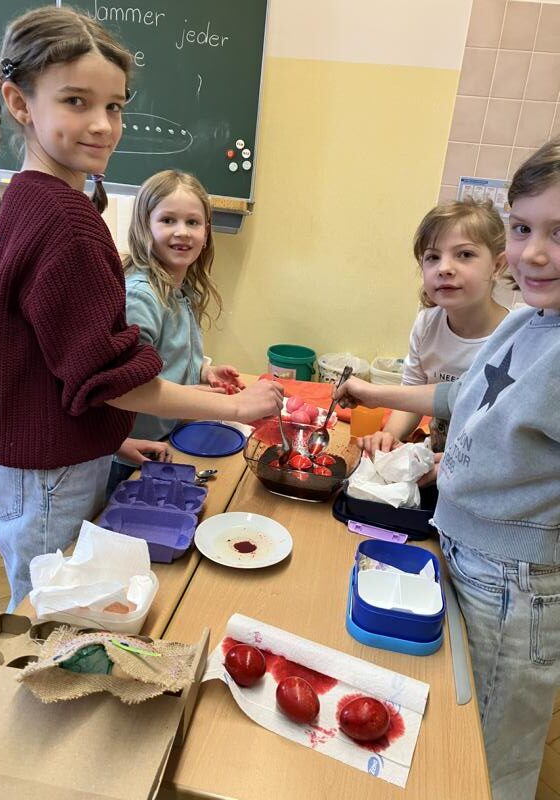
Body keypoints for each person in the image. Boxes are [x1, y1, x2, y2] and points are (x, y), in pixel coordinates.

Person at [0, 6, 282, 611]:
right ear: (20, 102)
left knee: (46, 591)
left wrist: (109, 442)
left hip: (37, 461)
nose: (103, 125)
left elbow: (59, 364)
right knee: (47, 606)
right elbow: (115, 381)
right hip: (46, 472)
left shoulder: (30, 199)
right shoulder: (68, 223)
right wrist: (237, 406)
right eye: (76, 102)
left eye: (113, 106)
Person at [334, 137, 560, 800]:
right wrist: (373, 394)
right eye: (523, 228)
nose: (534, 253)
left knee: (495, 740)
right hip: (464, 544)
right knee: (461, 711)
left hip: (516, 577)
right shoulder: (530, 324)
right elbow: (463, 395)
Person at [107, 170, 244, 494]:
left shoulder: (181, 289)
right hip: (133, 453)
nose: (182, 232)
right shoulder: (141, 297)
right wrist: (202, 399)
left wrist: (203, 371)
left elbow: (166, 358)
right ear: (144, 227)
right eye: (168, 220)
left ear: (206, 232)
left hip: (169, 439)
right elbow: (127, 386)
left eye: (192, 222)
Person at [364, 199, 508, 485]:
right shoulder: (426, 324)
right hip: (435, 464)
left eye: (465, 254)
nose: (445, 268)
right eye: (432, 257)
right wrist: (389, 436)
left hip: (486, 481)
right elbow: (411, 397)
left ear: (497, 265)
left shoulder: (514, 338)